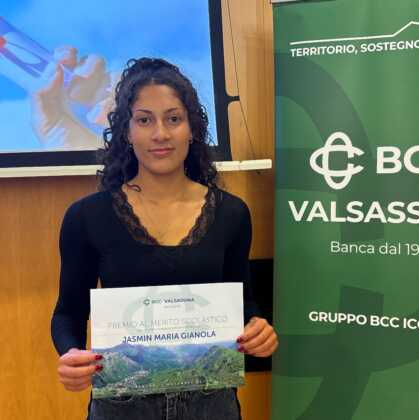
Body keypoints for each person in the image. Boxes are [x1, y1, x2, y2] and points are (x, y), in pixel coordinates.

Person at [50, 57, 278, 420]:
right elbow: (68, 312)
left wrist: (258, 329)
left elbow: (244, 303)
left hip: (211, 406)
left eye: (173, 119)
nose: (160, 134)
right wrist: (70, 352)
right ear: (126, 131)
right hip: (122, 406)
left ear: (192, 129)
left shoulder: (231, 214)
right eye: (144, 120)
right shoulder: (86, 217)